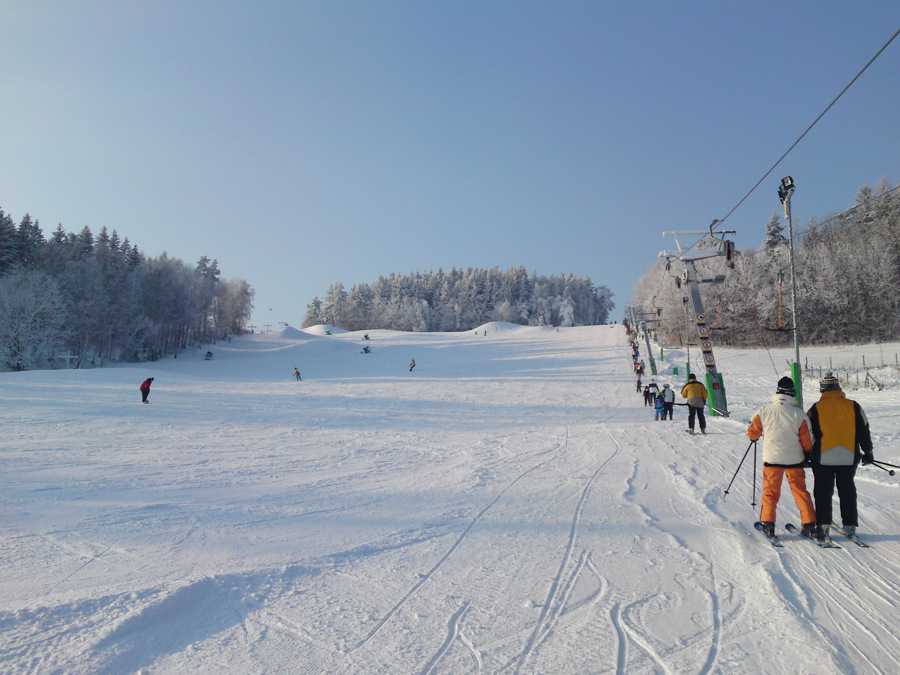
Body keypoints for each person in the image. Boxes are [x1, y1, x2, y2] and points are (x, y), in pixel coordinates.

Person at [746, 376, 817, 539]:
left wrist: (755, 434)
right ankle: (809, 524)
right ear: (793, 394)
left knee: (770, 492)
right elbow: (807, 442)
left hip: (772, 460)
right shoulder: (799, 414)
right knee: (800, 491)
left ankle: (768, 524)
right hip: (795, 461)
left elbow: (752, 433)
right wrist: (807, 453)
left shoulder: (763, 411)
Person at [807, 372, 874, 543]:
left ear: (823, 391)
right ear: (839, 389)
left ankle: (823, 527)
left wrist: (807, 454)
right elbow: (864, 431)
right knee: (847, 490)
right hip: (848, 456)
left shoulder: (815, 408)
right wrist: (868, 453)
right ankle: (850, 526)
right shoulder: (854, 406)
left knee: (823, 491)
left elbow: (808, 433)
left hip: (823, 457)